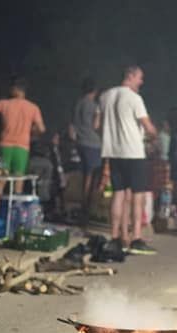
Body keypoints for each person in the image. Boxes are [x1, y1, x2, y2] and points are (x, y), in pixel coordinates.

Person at [99, 65, 158, 255]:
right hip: (133, 151)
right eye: (140, 78)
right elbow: (148, 127)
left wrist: (111, 136)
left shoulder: (105, 96)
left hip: (113, 151)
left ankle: (116, 236)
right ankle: (136, 238)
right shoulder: (134, 98)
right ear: (131, 76)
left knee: (118, 194)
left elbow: (96, 125)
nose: (141, 82)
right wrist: (153, 135)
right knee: (137, 194)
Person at [0, 78, 45, 205]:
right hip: (22, 148)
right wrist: (31, 131)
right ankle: (14, 213)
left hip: (5, 147)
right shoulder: (33, 108)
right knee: (18, 180)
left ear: (16, 89)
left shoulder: (5, 104)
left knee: (1, 179)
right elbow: (41, 129)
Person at [69, 78, 101, 226]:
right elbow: (95, 126)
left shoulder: (78, 103)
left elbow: (72, 125)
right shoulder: (94, 105)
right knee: (92, 176)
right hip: (92, 143)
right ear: (94, 91)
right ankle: (86, 208)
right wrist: (99, 115)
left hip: (80, 142)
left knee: (84, 176)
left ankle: (84, 206)